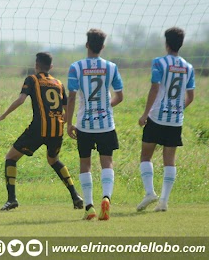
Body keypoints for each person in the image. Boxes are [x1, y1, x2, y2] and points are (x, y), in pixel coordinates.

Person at [0, 52, 83, 211]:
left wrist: (3, 115)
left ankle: (11, 199)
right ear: (51, 67)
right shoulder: (58, 83)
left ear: (36, 65)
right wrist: (63, 121)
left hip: (38, 129)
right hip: (57, 130)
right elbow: (67, 108)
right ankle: (75, 196)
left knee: (11, 157)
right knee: (53, 160)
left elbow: (21, 100)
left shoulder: (32, 79)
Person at [65, 29, 123, 221]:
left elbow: (72, 97)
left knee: (85, 164)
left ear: (87, 45)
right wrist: (106, 107)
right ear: (103, 47)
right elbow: (120, 96)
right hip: (106, 124)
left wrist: (69, 123)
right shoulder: (111, 67)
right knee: (107, 162)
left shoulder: (76, 67)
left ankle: (89, 207)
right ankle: (106, 197)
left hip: (85, 124)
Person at [137, 27, 194, 213]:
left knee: (146, 156)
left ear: (166, 43)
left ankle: (149, 193)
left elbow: (154, 89)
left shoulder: (159, 63)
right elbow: (190, 96)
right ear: (181, 44)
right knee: (169, 160)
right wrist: (177, 109)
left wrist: (145, 113)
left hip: (157, 117)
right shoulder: (188, 67)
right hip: (175, 120)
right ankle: (164, 201)